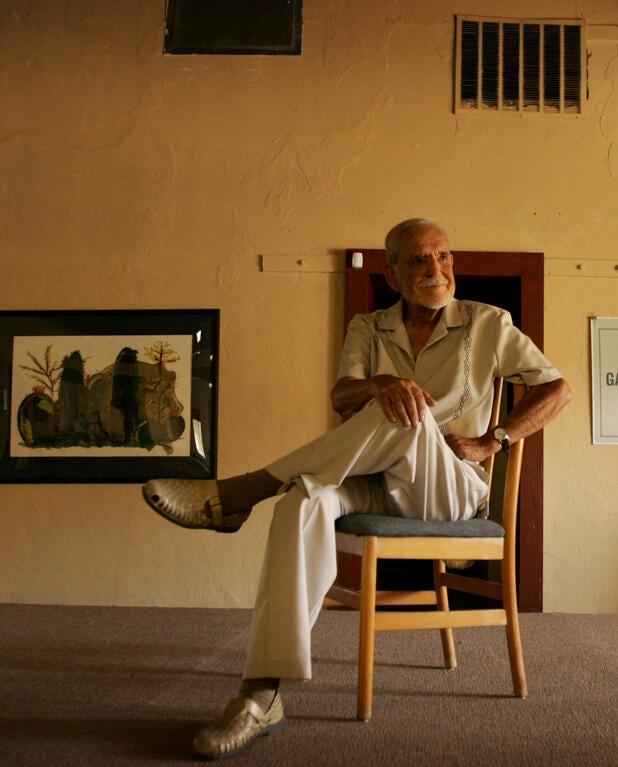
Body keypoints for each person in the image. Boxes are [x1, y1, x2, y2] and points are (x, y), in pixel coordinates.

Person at [142, 218, 571, 759]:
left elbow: (558, 389)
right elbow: (344, 398)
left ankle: (241, 494)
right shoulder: (369, 328)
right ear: (391, 273)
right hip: (377, 481)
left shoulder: (488, 323)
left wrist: (493, 441)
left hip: (452, 489)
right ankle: (260, 694)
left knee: (405, 409)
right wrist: (377, 383)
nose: (435, 270)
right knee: (303, 501)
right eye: (418, 260)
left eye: (443, 257)